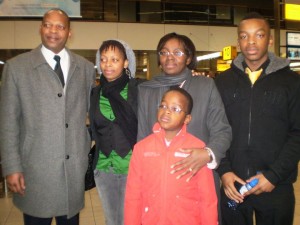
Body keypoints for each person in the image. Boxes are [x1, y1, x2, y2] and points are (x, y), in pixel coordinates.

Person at [0, 8, 95, 225]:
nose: (53, 31)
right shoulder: (17, 68)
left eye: (60, 26)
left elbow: (92, 114)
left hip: (72, 171)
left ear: (69, 32)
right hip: (35, 171)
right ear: (40, 28)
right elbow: (8, 122)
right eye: (48, 25)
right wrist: (12, 166)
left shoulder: (86, 68)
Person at [215, 12, 300, 225]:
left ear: (270, 40)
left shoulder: (291, 82)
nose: (250, 42)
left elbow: (297, 133)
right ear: (238, 41)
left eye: (259, 35)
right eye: (244, 36)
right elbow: (215, 129)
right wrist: (224, 172)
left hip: (275, 185)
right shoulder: (222, 82)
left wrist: (274, 176)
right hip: (233, 184)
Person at [137, 32, 232, 223]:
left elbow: (222, 130)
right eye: (164, 52)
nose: (169, 57)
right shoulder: (146, 90)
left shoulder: (205, 86)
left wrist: (208, 153)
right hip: (160, 181)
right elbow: (142, 137)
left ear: (189, 58)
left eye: (178, 52)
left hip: (197, 176)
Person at [125, 87, 218, 225]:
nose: (167, 111)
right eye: (163, 106)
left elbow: (207, 198)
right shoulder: (142, 148)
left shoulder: (197, 149)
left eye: (175, 109)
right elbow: (133, 195)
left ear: (187, 118)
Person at [89, 39, 144, 225]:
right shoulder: (95, 93)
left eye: (114, 59)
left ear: (126, 62)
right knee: (112, 220)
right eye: (103, 59)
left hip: (133, 167)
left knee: (132, 219)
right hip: (104, 168)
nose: (108, 64)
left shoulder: (138, 89)